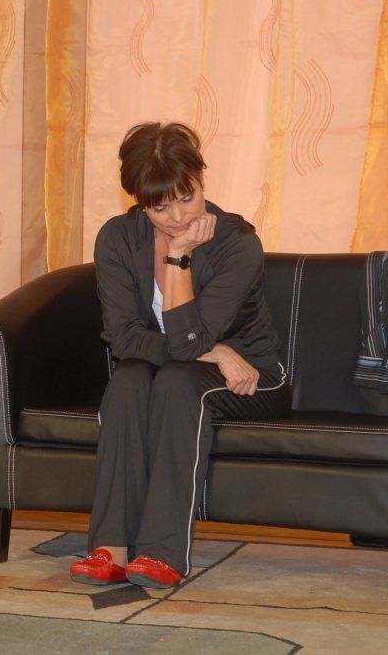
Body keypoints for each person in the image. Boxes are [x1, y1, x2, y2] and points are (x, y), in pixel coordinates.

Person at [69, 122, 290, 589]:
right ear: (138, 201)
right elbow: (124, 339)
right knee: (129, 376)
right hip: (180, 366)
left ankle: (162, 552)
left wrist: (179, 258)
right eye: (159, 206)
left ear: (202, 178)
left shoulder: (237, 243)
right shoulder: (118, 238)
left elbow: (187, 346)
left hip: (253, 376)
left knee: (176, 380)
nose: (176, 217)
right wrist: (216, 351)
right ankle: (111, 547)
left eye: (187, 198)